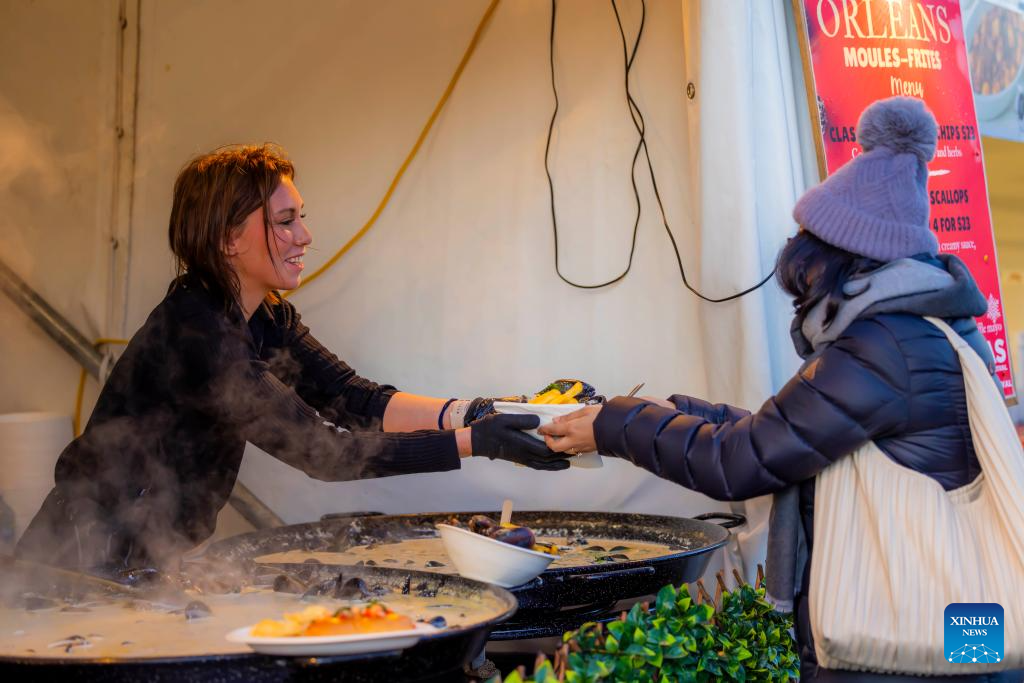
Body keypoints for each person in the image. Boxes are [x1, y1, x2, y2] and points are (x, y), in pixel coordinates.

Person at [539, 97, 1022, 681]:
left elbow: (743, 461)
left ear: (840, 259)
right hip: (964, 628)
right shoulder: (928, 325)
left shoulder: (884, 343)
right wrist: (675, 411)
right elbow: (794, 435)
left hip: (904, 641)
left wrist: (616, 424)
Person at [17, 144, 567, 574]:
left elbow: (355, 399)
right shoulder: (197, 331)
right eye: (284, 222)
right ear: (229, 238)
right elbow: (325, 453)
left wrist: (480, 412)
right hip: (79, 562)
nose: (305, 236)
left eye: (300, 216)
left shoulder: (264, 317)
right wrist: (479, 444)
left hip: (147, 561)